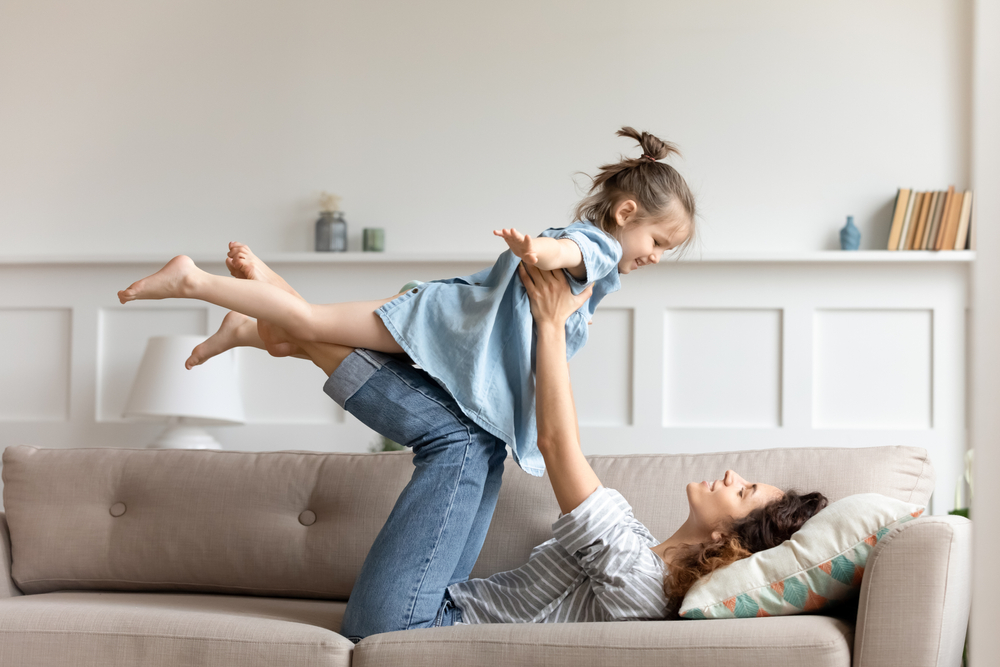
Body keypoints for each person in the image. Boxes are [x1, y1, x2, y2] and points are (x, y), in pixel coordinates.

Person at [194, 253, 826, 637]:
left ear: (726, 538)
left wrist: (551, 324)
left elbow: (555, 441)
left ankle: (286, 317)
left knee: (457, 442)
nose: (732, 475)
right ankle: (280, 326)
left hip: (410, 629)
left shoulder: (641, 584)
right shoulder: (641, 546)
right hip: (433, 608)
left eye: (745, 491)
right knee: (483, 438)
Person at [116, 127, 697, 478]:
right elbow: (564, 251)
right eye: (658, 243)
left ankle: (246, 326)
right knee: (314, 324)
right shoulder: (597, 248)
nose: (655, 256)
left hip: (446, 319)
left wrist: (538, 251)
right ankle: (193, 280)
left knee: (316, 335)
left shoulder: (596, 251)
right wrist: (535, 250)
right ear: (626, 214)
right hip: (445, 325)